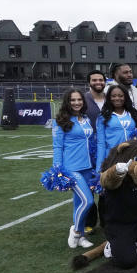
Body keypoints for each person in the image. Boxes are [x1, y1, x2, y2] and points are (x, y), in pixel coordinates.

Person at [52, 89, 96, 248]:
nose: (77, 103)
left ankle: (82, 237)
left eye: (79, 100)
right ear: (67, 102)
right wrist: (58, 169)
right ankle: (76, 230)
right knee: (88, 201)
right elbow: (57, 146)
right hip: (71, 168)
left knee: (79, 203)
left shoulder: (85, 119)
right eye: (73, 100)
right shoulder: (61, 121)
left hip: (87, 168)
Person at [95, 84, 137, 173]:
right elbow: (101, 143)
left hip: (131, 157)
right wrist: (99, 167)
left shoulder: (132, 114)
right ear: (109, 98)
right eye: (113, 96)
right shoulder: (103, 116)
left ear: (125, 97)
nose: (117, 98)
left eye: (121, 96)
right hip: (111, 157)